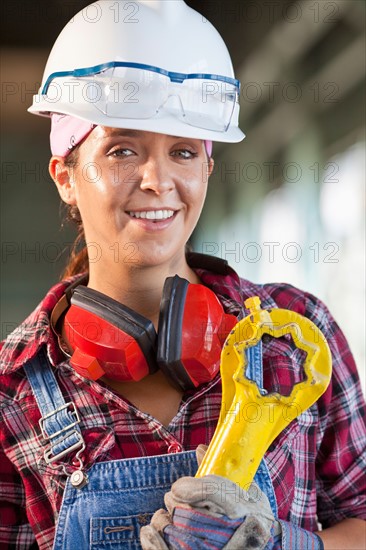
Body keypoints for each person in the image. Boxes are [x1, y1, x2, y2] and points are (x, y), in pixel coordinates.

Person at [0, 1, 365, 549]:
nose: (158, 180)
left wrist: (289, 545)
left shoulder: (295, 335)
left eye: (184, 151)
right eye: (123, 149)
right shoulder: (13, 388)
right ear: (65, 176)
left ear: (208, 169)